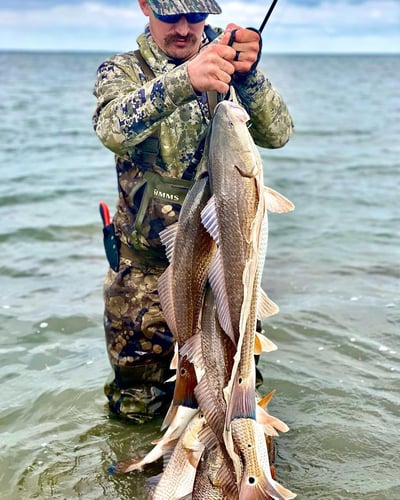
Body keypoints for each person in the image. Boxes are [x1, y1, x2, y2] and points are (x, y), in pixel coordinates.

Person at [92, 0, 293, 423]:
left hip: (226, 274)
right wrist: (185, 80)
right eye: (170, 16)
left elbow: (278, 133)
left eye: (195, 17)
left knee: (234, 400)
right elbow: (110, 128)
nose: (184, 29)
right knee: (136, 410)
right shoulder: (122, 71)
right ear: (145, 6)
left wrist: (249, 75)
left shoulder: (225, 63)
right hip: (145, 282)